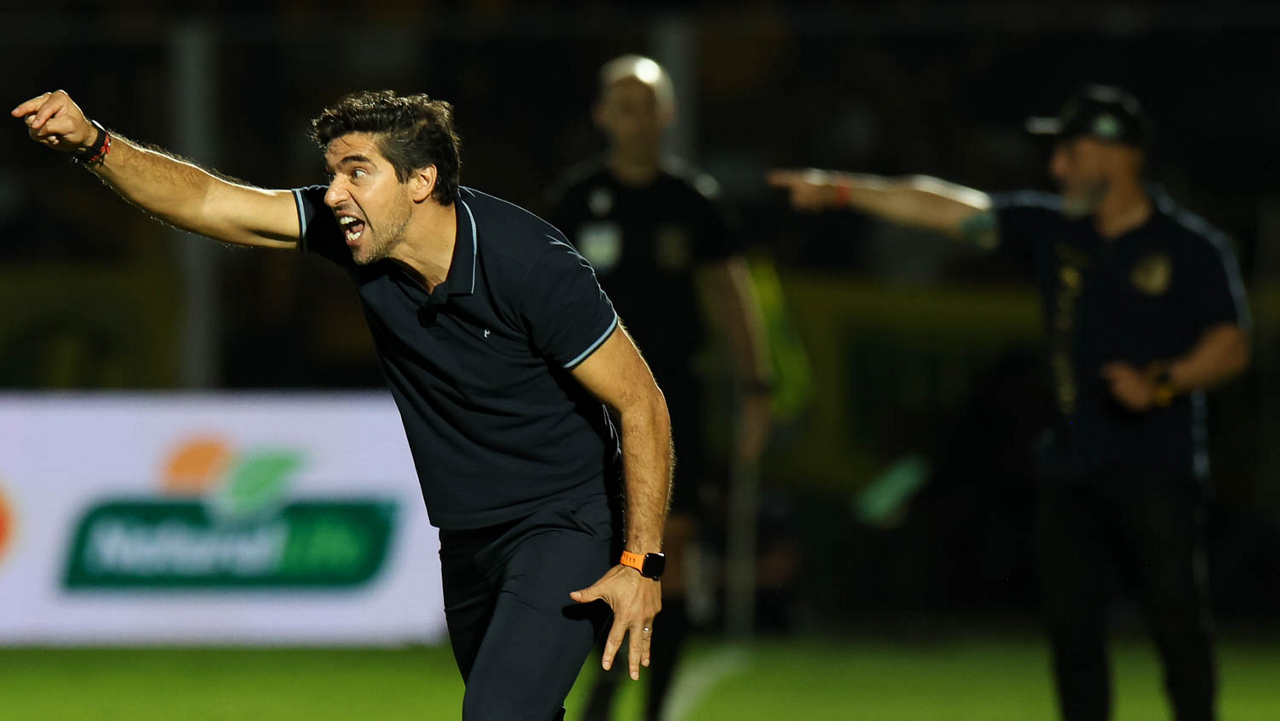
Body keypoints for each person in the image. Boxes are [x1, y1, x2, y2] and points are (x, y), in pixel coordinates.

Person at [15, 88, 673, 721]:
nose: (334, 194)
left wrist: (640, 561)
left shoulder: (531, 265)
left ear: (421, 180)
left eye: (358, 172)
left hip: (563, 523)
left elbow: (641, 403)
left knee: (498, 714)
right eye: (332, 173)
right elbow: (215, 202)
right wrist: (94, 144)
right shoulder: (356, 238)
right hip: (469, 537)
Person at [769, 85, 1249, 721]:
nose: (1057, 169)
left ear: (1116, 154)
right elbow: (945, 208)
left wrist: (1163, 381)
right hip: (1072, 469)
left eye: (1070, 154)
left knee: (1177, 626)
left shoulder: (1191, 247)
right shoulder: (1055, 228)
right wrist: (839, 190)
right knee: (1075, 639)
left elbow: (1231, 346)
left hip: (1159, 470)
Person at [546, 55, 772, 721]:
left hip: (672, 401)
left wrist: (757, 386)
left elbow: (732, 292)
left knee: (665, 554)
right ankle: (607, 682)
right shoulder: (573, 199)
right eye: (622, 103)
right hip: (591, 406)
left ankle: (656, 704)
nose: (635, 116)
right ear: (601, 116)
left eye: (646, 103)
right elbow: (540, 300)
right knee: (597, 550)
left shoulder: (691, 202)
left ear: (666, 115)